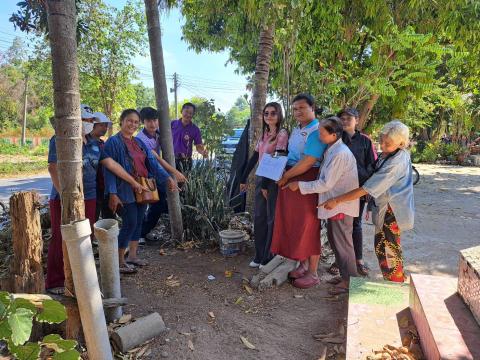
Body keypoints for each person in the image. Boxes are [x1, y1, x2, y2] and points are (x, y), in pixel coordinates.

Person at [46, 105, 145, 292]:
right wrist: (65, 195)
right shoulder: (60, 140)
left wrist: (133, 182)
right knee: (60, 237)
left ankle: (79, 278)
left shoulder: (95, 144)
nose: (90, 124)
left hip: (89, 197)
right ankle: (55, 281)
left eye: (92, 121)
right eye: (87, 120)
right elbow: (53, 168)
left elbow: (111, 164)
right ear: (77, 122)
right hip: (63, 198)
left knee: (86, 236)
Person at [321, 120, 414, 283]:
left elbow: (368, 188)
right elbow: (371, 173)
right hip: (386, 208)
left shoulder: (397, 161)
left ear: (401, 143)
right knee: (383, 247)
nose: (383, 146)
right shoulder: (391, 154)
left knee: (388, 250)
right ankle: (394, 281)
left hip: (393, 212)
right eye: (382, 141)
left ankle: (395, 284)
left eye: (388, 144)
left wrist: (337, 200)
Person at [286, 117, 359, 291]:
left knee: (342, 245)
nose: (318, 136)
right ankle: (345, 277)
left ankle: (350, 282)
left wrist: (300, 185)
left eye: (321, 133)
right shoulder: (333, 149)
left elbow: (326, 183)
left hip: (340, 205)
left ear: (333, 135)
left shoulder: (340, 153)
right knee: (337, 243)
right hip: (334, 203)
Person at [104, 109, 178, 274]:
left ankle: (133, 256)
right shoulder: (113, 142)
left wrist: (167, 178)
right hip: (124, 189)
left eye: (136, 122)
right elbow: (109, 170)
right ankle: (119, 260)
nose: (132, 124)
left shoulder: (138, 142)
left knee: (138, 221)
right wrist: (112, 192)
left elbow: (152, 162)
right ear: (121, 121)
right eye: (129, 121)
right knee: (129, 222)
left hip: (143, 188)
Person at [273, 93, 327, 288]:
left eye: (302, 108)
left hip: (307, 178)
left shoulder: (317, 131)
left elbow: (308, 161)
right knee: (297, 224)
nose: (298, 112)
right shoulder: (297, 129)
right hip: (293, 175)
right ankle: (303, 265)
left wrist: (287, 177)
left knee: (309, 225)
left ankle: (313, 272)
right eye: (295, 109)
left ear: (313, 108)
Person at [239, 102, 288, 268]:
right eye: (266, 113)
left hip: (272, 180)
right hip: (261, 178)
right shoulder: (264, 134)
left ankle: (269, 256)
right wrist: (242, 178)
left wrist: (267, 185)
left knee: (270, 219)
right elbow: (254, 157)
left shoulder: (282, 134)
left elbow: (278, 159)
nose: (269, 116)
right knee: (259, 218)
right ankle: (259, 255)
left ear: (279, 115)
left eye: (273, 113)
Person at [333, 107, 377, 277]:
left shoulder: (366, 141)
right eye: (342, 118)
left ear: (357, 121)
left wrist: (367, 189)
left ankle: (358, 260)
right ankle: (339, 260)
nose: (344, 121)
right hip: (338, 190)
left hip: (357, 190)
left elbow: (372, 166)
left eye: (348, 118)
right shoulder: (336, 139)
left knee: (356, 224)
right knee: (338, 225)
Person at [136, 107, 187, 240]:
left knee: (157, 205)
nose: (152, 124)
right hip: (148, 176)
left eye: (155, 120)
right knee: (156, 206)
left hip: (158, 174)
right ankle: (139, 234)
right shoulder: (141, 139)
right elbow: (155, 161)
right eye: (148, 121)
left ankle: (141, 232)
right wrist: (172, 174)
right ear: (143, 122)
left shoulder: (159, 133)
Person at [90, 111, 115, 221]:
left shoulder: (102, 144)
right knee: (92, 216)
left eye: (106, 125)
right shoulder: (87, 143)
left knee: (109, 217)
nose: (104, 128)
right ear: (92, 125)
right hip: (92, 188)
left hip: (105, 186)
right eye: (101, 125)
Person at [171, 102, 207, 172]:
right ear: (181, 111)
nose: (188, 115)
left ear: (193, 115)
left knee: (184, 182)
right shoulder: (172, 124)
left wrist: (203, 152)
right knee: (171, 182)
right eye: (186, 112)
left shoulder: (195, 129)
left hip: (186, 161)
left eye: (191, 113)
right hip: (171, 159)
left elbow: (198, 146)